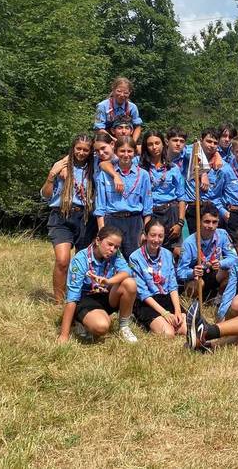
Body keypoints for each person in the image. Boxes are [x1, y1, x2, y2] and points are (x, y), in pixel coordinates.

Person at [57, 226, 138, 343]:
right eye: (109, 244)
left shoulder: (115, 254)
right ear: (98, 240)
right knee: (102, 327)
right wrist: (64, 335)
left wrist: (109, 281)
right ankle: (80, 320)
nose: (112, 250)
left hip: (104, 293)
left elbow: (127, 271)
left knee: (130, 283)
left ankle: (124, 327)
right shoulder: (80, 259)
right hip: (85, 298)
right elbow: (72, 298)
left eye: (116, 247)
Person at [42, 134, 97, 302]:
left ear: (90, 152)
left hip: (86, 217)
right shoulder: (61, 166)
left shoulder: (94, 168)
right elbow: (45, 195)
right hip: (62, 215)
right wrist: (52, 175)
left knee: (83, 262)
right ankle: (59, 301)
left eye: (85, 150)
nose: (81, 152)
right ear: (72, 148)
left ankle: (78, 298)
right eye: (78, 148)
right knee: (63, 260)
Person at [94, 136, 152, 261]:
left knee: (134, 260)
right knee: (112, 260)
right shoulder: (105, 175)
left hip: (134, 222)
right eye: (122, 151)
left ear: (134, 152)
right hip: (112, 220)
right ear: (116, 152)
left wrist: (145, 232)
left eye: (129, 151)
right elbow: (100, 207)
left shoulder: (143, 175)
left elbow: (147, 208)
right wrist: (102, 231)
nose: (126, 155)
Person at [129, 220, 185, 337]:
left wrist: (177, 310)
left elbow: (172, 286)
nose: (156, 240)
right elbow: (143, 294)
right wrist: (164, 313)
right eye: (153, 235)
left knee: (185, 330)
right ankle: (141, 319)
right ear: (145, 235)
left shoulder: (167, 254)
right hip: (147, 302)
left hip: (166, 298)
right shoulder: (135, 257)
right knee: (168, 334)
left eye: (160, 236)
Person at [177, 202, 238, 300]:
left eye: (214, 222)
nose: (211, 226)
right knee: (198, 283)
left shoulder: (222, 234)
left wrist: (221, 263)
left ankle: (218, 300)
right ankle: (195, 303)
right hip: (197, 277)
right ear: (199, 221)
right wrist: (192, 272)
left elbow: (234, 258)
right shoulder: (189, 243)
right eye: (207, 221)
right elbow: (180, 272)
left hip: (215, 272)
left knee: (231, 272)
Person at [140, 130, 185, 252]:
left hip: (171, 213)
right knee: (151, 249)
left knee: (174, 252)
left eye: (157, 143)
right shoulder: (139, 166)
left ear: (163, 144)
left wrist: (180, 223)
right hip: (150, 213)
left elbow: (181, 197)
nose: (154, 147)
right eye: (150, 144)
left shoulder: (173, 168)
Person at [182, 129, 225, 235]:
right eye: (209, 141)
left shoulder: (219, 163)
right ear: (201, 141)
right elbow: (187, 149)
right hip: (192, 206)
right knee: (192, 242)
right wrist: (203, 171)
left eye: (215, 143)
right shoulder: (191, 154)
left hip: (210, 207)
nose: (212, 145)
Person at [94, 76, 143, 142]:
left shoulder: (132, 107)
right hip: (106, 137)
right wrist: (116, 141)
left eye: (125, 93)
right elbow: (98, 129)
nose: (122, 95)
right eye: (119, 91)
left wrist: (132, 143)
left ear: (129, 92)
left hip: (128, 138)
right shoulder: (102, 106)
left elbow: (138, 127)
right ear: (113, 89)